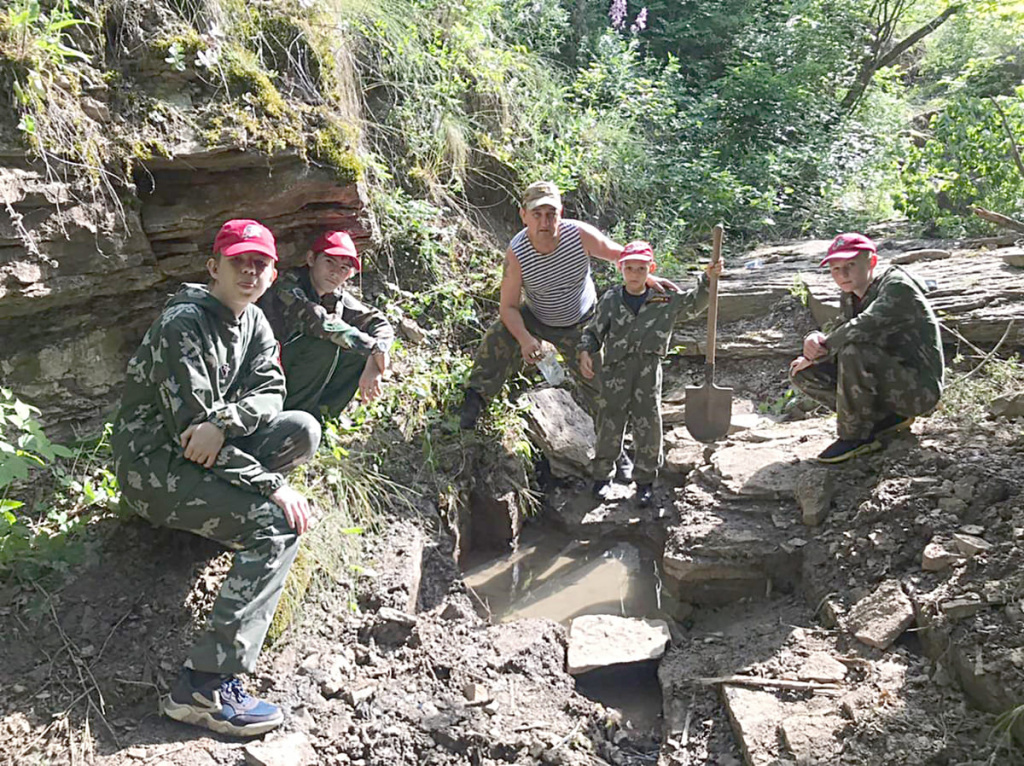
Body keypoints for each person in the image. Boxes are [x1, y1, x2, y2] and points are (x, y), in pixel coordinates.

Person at [111, 219, 321, 738]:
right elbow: (192, 441)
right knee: (277, 525)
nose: (249, 271)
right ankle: (203, 688)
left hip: (204, 450)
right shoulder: (184, 324)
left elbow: (272, 393)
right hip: (155, 468)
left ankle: (216, 521)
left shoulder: (253, 321)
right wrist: (272, 485)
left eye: (260, 264)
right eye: (238, 262)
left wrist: (226, 421)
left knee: (301, 429)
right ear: (214, 268)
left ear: (272, 275)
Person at [459, 181, 678, 482]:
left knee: (601, 386)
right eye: (537, 214)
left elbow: (619, 255)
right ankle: (473, 402)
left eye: (551, 214)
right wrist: (525, 339)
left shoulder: (578, 235)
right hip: (537, 316)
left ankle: (616, 451)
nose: (545, 222)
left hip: (582, 322)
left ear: (561, 213)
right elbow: (508, 307)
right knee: (498, 336)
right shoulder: (518, 252)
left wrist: (648, 278)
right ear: (524, 216)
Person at [579, 241, 721, 507]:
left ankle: (644, 481)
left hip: (648, 369)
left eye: (641, 268)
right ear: (620, 268)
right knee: (610, 420)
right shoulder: (611, 299)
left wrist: (708, 279)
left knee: (648, 421)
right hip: (615, 371)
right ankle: (602, 477)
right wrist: (586, 351)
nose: (634, 274)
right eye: (629, 268)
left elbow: (694, 304)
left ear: (651, 269)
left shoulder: (664, 298)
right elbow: (594, 330)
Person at [789, 232, 944, 464]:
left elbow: (863, 326)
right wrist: (814, 339)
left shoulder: (896, 286)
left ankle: (855, 436)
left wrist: (825, 347)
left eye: (850, 265)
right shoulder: (851, 294)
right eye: (836, 269)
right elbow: (838, 327)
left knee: (854, 350)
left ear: (871, 262)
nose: (843, 274)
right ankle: (883, 420)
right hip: (889, 378)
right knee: (803, 372)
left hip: (918, 391)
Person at [258, 230, 394, 421]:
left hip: (296, 371)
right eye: (329, 262)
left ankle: (322, 417)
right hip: (263, 371)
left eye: (344, 269)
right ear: (311, 259)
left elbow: (378, 322)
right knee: (323, 345)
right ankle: (290, 417)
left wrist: (379, 349)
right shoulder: (286, 285)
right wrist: (372, 349)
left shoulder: (336, 296)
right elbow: (320, 323)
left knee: (356, 353)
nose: (335, 273)